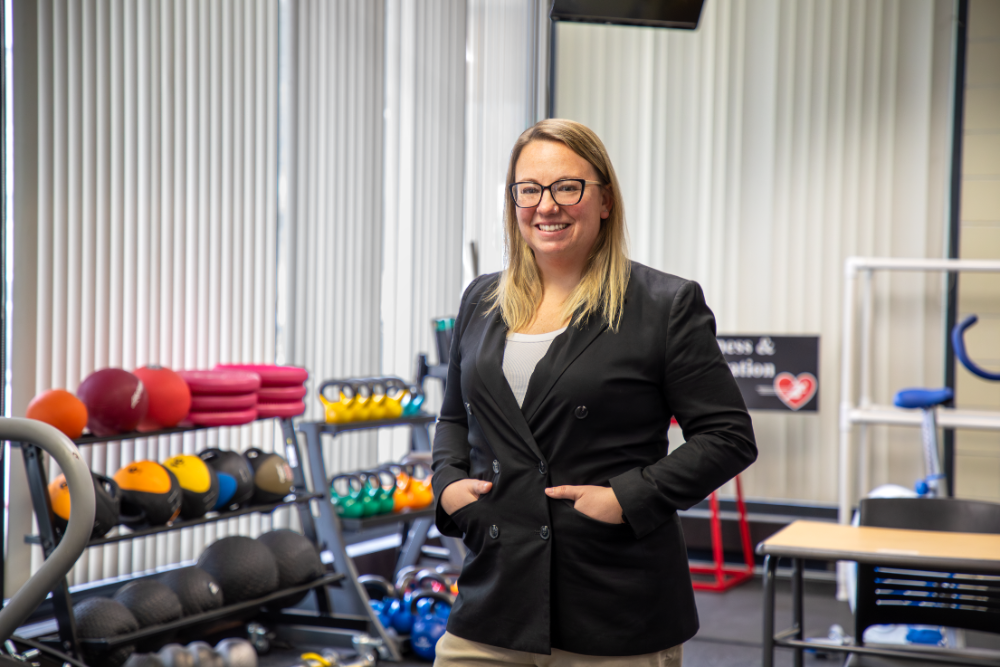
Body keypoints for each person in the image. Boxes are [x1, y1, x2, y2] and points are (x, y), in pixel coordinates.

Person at [430, 119, 757, 666]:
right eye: (528, 189)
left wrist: (628, 498)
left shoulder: (663, 305)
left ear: (604, 199)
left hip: (613, 600)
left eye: (567, 187)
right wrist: (445, 483)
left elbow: (728, 437)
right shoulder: (480, 299)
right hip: (494, 596)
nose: (546, 205)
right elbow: (454, 418)